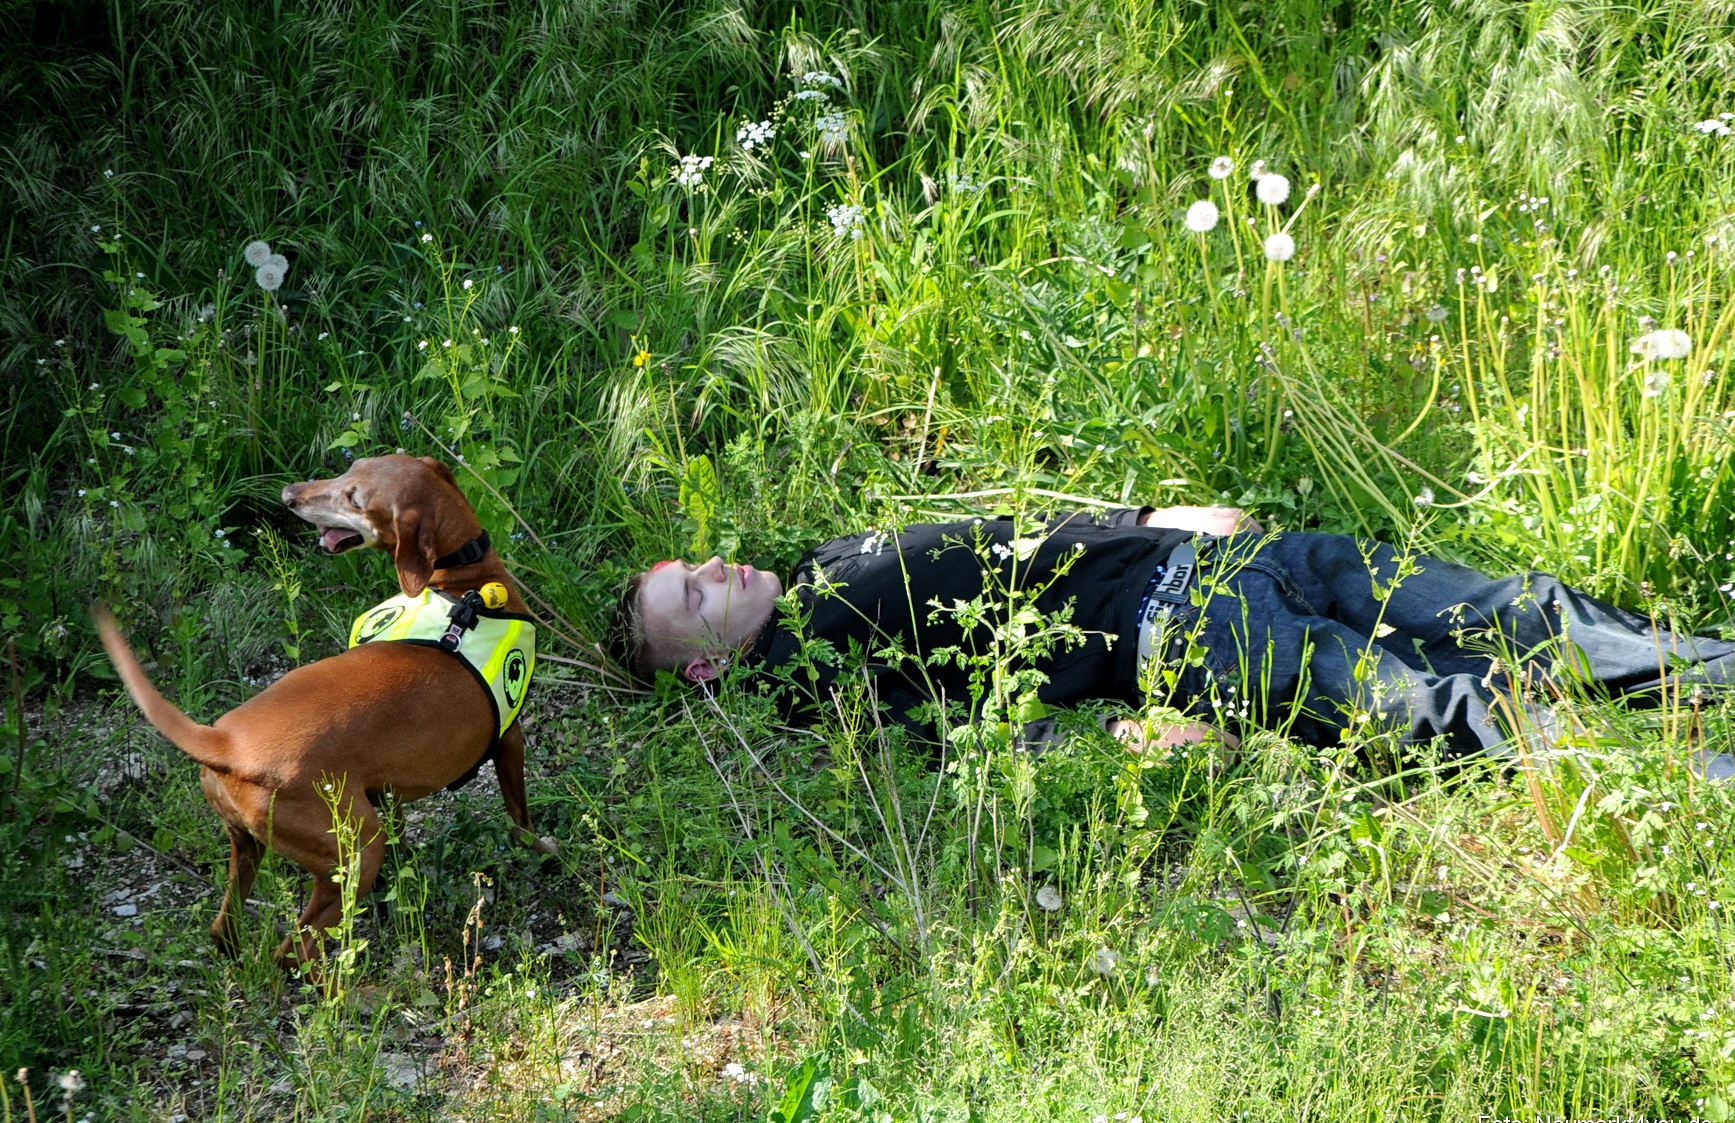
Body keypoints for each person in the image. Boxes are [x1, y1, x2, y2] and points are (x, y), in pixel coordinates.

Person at [608, 503, 1735, 775]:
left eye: (695, 564)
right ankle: (1687, 777)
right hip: (1190, 640)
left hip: (1235, 558)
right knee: (1435, 706)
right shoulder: (816, 678)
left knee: (1516, 605)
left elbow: (1012, 536)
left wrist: (1153, 517)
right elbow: (968, 739)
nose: (715, 568)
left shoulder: (820, 560)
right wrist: (1127, 743)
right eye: (695, 599)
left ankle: (1719, 672)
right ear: (708, 665)